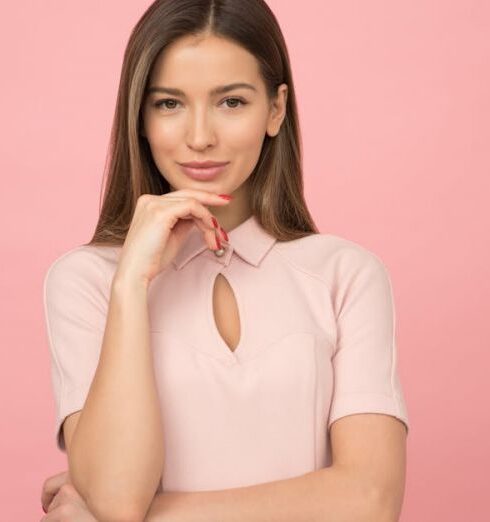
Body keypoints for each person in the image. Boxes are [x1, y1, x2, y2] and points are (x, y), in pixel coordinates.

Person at [41, 0, 410, 520]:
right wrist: (131, 285)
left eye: (231, 102)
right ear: (139, 117)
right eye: (168, 104)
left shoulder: (346, 275)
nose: (199, 137)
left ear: (276, 110)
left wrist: (130, 513)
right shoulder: (88, 281)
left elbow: (370, 501)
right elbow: (119, 497)